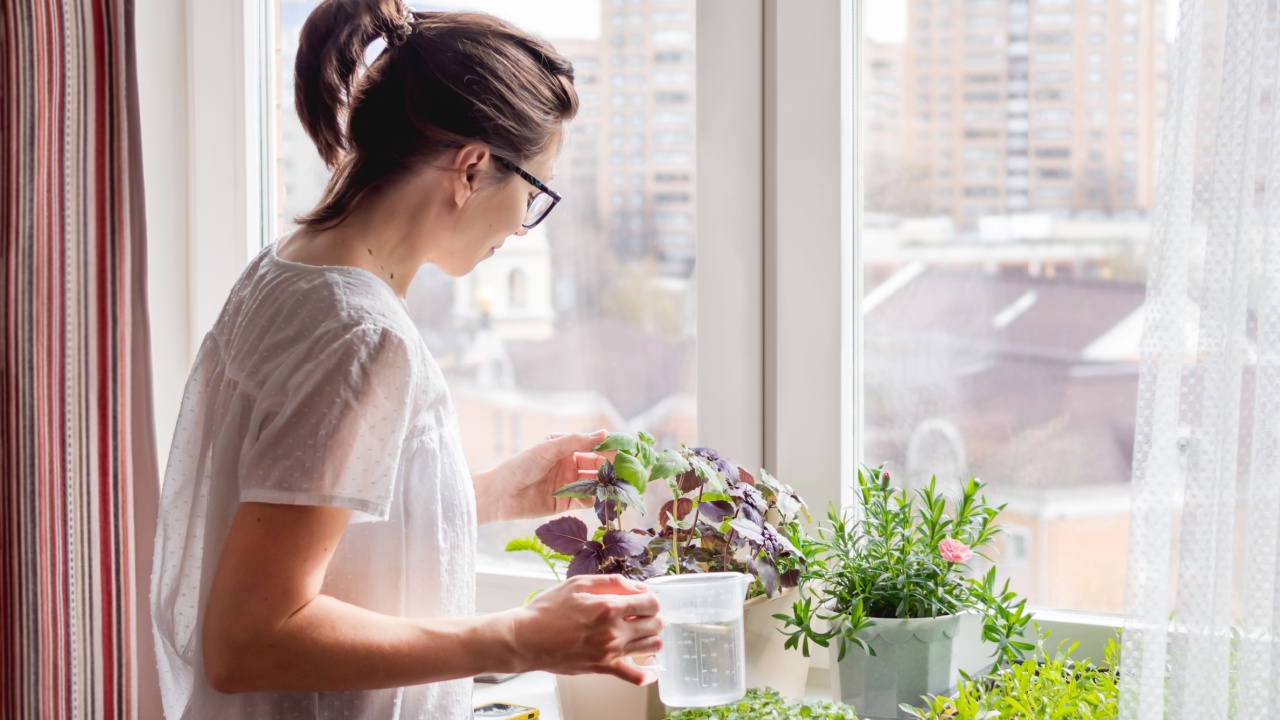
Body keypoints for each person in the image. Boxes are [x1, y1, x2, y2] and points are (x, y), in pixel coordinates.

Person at [149, 2, 662, 718]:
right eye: (534, 193)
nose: (521, 227)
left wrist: (490, 495)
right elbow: (250, 640)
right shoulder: (362, 337)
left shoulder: (285, 272)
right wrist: (521, 638)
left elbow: (302, 517)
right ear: (473, 167)